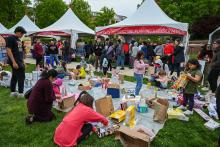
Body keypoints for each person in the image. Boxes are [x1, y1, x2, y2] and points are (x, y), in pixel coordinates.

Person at [6, 26, 27, 97]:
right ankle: (21, 93)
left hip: (20, 61)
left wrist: (23, 61)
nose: (22, 35)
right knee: (21, 76)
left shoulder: (18, 40)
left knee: (15, 76)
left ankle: (13, 92)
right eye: (21, 33)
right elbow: (8, 50)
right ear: (17, 32)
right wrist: (13, 62)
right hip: (15, 61)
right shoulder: (10, 38)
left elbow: (20, 51)